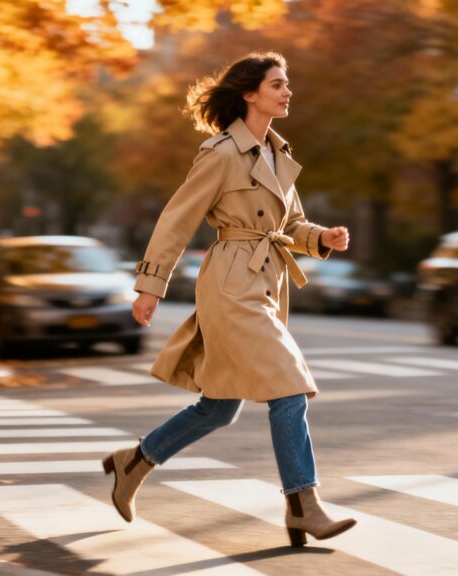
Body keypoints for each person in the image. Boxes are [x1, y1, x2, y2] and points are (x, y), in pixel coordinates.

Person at [102, 52, 357, 546]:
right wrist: (150, 286)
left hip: (265, 282)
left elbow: (288, 227)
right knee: (288, 386)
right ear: (249, 93)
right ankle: (303, 504)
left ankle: (132, 461)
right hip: (231, 284)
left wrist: (321, 237)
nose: (287, 92)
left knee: (219, 407)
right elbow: (177, 219)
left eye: (288, 84)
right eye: (277, 84)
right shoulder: (220, 153)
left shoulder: (278, 154)